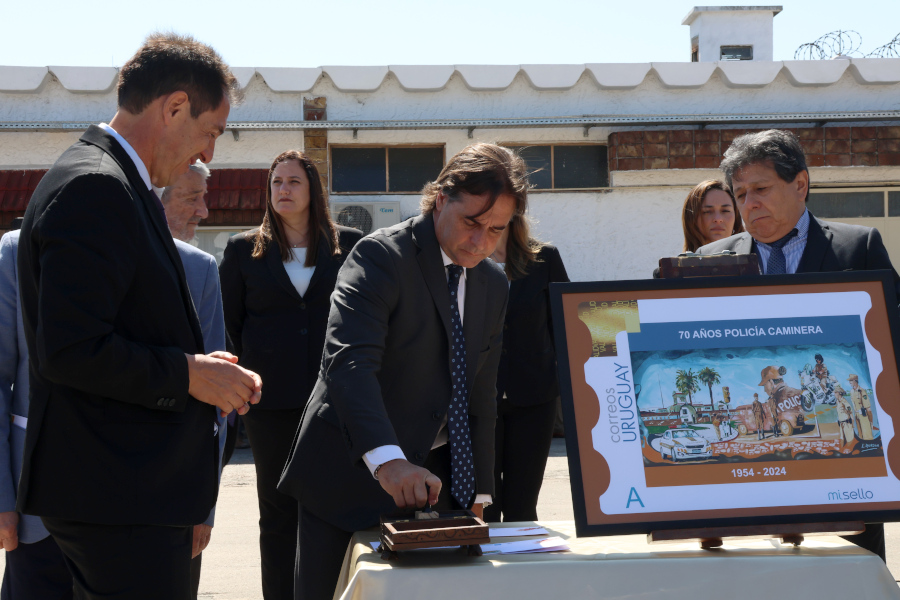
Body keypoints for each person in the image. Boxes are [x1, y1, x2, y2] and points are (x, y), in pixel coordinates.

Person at [15, 33, 262, 599]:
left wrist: (199, 365)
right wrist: (189, 374)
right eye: (211, 132)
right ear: (174, 107)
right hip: (118, 499)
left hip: (124, 497)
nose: (208, 154)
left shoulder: (113, 182)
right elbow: (71, 349)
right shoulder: (96, 187)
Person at [278, 143, 525, 600]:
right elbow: (349, 362)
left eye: (497, 229)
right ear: (440, 200)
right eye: (472, 222)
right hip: (350, 476)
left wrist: (481, 491)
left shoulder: (493, 283)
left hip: (440, 487)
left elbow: (481, 393)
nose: (481, 242)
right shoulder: (380, 257)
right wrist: (388, 459)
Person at [698, 128, 896, 560]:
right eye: (741, 193)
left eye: (762, 189)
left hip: (844, 480)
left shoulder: (857, 248)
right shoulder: (710, 263)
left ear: (800, 184)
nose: (749, 205)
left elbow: (891, 343)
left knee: (849, 577)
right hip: (750, 488)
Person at [218, 150, 362, 600]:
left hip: (334, 401)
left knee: (333, 508)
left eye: (293, 182)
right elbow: (229, 324)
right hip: (270, 404)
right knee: (278, 512)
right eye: (276, 182)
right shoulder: (243, 250)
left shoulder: (351, 245)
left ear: (312, 190)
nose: (283, 189)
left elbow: (368, 318)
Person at [160, 161, 228, 600]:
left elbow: (215, 404)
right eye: (190, 198)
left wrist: (205, 506)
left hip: (177, 501)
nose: (204, 211)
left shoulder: (201, 270)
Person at [0, 221, 73, 599]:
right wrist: (1, 498)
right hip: (34, 504)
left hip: (128, 505)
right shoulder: (15, 251)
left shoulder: (144, 248)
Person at [483, 215, 569, 522]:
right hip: (479, 401)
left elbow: (565, 323)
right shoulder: (463, 257)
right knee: (485, 507)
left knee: (523, 506)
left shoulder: (545, 258)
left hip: (536, 397)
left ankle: (523, 569)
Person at [681, 179, 744, 253]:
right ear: (691, 219)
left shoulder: (756, 262)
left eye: (725, 211)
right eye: (707, 212)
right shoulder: (677, 264)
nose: (718, 219)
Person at [848, 374, 874, 441]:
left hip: (863, 416)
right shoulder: (852, 391)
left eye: (851, 380)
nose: (849, 382)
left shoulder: (862, 391)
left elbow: (868, 408)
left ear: (855, 381)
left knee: (867, 436)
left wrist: (871, 421)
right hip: (857, 415)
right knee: (860, 436)